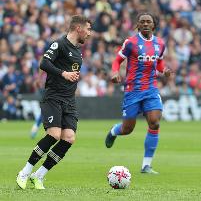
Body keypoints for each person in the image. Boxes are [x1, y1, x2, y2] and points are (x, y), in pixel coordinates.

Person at [16, 15, 92, 190]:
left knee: (69, 138)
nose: (89, 33)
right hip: (53, 97)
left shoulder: (78, 52)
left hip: (69, 101)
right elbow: (44, 63)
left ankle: (39, 175)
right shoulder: (59, 44)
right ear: (78, 28)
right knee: (54, 135)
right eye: (88, 29)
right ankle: (25, 172)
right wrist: (63, 73)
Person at [105, 12, 172, 174]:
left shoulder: (160, 44)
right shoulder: (131, 43)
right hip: (133, 90)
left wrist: (165, 70)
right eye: (142, 22)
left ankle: (146, 165)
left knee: (155, 122)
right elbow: (117, 60)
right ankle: (114, 131)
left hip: (151, 89)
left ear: (153, 25)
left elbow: (160, 62)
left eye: (148, 21)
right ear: (138, 25)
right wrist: (115, 73)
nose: (146, 24)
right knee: (128, 129)